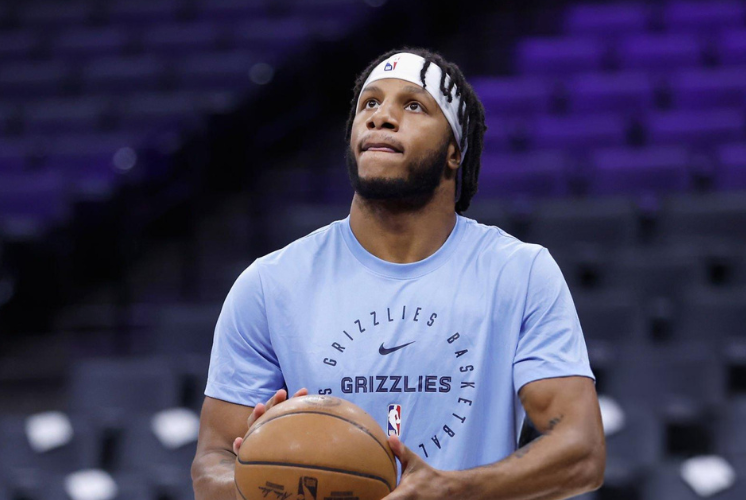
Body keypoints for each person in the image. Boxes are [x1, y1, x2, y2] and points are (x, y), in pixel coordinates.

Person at [191, 47, 605, 500]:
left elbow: (581, 451)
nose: (381, 117)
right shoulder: (269, 284)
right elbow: (212, 464)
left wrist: (453, 490)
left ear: (454, 151)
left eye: (413, 106)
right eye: (369, 103)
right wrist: (256, 480)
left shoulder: (519, 273)